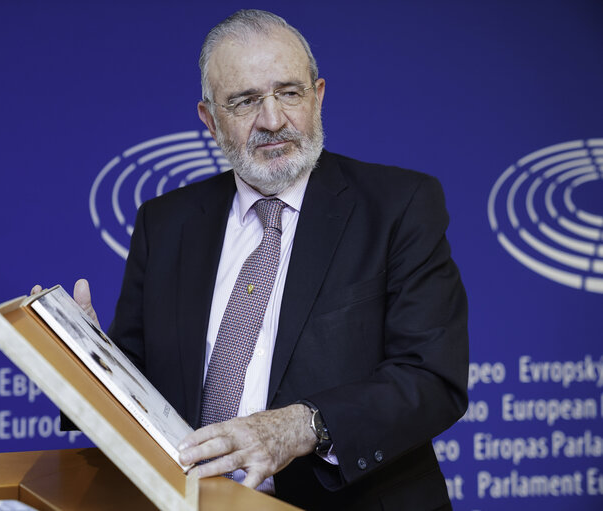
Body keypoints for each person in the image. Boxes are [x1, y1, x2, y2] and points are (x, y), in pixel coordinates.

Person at [38, 9, 469, 511]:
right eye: (244, 102)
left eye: (289, 93)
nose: (272, 120)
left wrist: (302, 426)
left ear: (318, 95)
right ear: (210, 120)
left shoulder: (399, 205)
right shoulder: (165, 223)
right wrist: (89, 361)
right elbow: (140, 381)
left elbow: (431, 379)